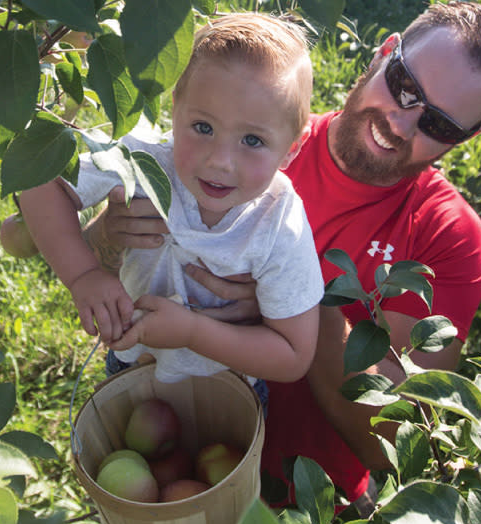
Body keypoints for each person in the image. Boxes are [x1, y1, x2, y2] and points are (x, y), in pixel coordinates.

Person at [84, 1, 481, 508]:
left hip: (308, 508)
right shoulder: (244, 136)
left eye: (440, 125)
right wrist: (108, 236)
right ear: (384, 53)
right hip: (170, 461)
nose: (402, 123)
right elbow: (88, 260)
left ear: (468, 138)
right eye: (404, 86)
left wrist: (297, 301)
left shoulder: (446, 236)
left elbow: (400, 442)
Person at [19, 13, 323, 385]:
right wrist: (84, 274)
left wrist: (193, 333)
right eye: (203, 128)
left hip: (226, 390)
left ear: (292, 150)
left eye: (253, 141)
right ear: (175, 107)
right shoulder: (142, 162)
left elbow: (292, 355)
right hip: (132, 365)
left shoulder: (279, 223)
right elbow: (39, 184)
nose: (220, 161)